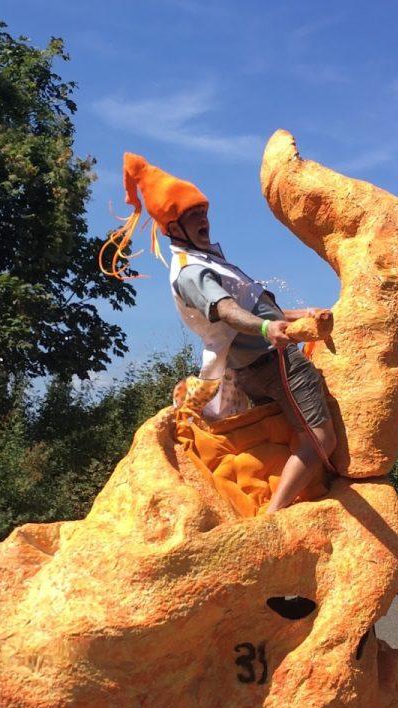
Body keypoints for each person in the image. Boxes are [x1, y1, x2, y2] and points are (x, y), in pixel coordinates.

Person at [99, 153, 336, 513]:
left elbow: (256, 305)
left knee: (291, 436)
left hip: (260, 362)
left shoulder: (207, 259)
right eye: (192, 215)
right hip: (272, 363)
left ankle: (273, 502)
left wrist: (302, 313)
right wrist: (266, 327)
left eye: (203, 211)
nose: (203, 220)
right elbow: (226, 311)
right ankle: (273, 518)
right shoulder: (191, 272)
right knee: (321, 439)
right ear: (172, 226)